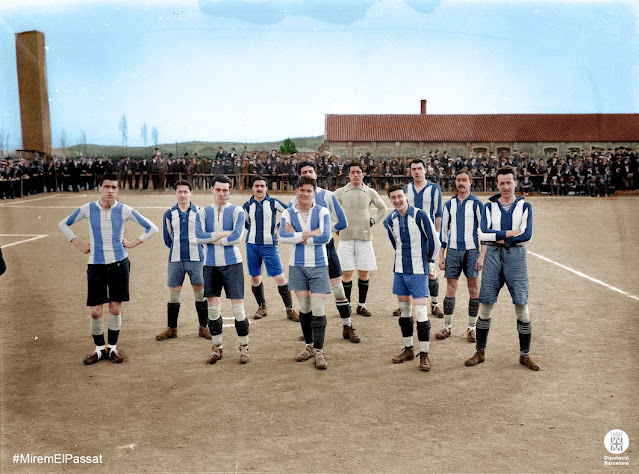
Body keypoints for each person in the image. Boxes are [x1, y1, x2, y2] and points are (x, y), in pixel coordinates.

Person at [58, 173, 158, 364]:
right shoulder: (88, 208)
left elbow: (152, 228)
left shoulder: (124, 210)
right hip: (95, 265)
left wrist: (132, 243)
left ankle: (112, 348)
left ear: (117, 190)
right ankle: (98, 349)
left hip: (119, 264)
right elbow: (63, 224)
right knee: (95, 311)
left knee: (114, 308)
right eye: (107, 187)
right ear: (100, 188)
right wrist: (77, 242)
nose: (110, 191)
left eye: (114, 187)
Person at [465, 165, 540, 371]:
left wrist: (497, 235)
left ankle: (525, 355)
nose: (506, 187)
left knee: (521, 305)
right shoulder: (488, 207)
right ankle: (480, 352)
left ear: (516, 182)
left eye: (509, 182)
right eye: (502, 183)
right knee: (486, 303)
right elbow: (483, 234)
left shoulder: (525, 207)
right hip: (491, 256)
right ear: (496, 184)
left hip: (516, 257)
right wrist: (509, 234)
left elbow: (527, 235)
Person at [290, 161, 360, 343]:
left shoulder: (328, 196)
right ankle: (310, 332)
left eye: (311, 171)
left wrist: (324, 233)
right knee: (309, 297)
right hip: (305, 254)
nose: (308, 174)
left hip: (326, 251)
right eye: (304, 171)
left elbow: (343, 223)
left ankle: (347, 326)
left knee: (338, 291)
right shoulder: (294, 201)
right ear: (299, 176)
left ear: (316, 174)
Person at [383, 184, 440, 371]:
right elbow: (395, 244)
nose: (397, 200)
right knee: (405, 310)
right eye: (393, 198)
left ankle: (424, 354)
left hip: (418, 271)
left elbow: (434, 240)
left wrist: (429, 261)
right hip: (400, 270)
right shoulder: (390, 220)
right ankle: (408, 348)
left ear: (405, 196)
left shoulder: (420, 215)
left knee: (422, 312)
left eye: (400, 196)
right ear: (390, 200)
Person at [279, 176, 332, 369]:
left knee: (318, 309)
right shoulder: (288, 212)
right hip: (297, 266)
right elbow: (282, 236)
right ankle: (309, 346)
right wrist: (309, 234)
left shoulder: (322, 211)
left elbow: (325, 236)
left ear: (314, 193)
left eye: (309, 191)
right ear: (296, 191)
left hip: (318, 265)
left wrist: (298, 236)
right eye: (302, 190)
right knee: (304, 308)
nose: (305, 194)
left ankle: (319, 351)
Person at [196, 175, 250, 365]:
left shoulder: (237, 211)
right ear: (212, 190)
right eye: (218, 189)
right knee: (213, 309)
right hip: (210, 265)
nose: (222, 193)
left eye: (225, 190)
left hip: (232, 264)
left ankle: (244, 348)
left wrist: (213, 239)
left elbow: (237, 237)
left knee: (238, 309)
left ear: (230, 191)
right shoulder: (203, 212)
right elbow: (198, 236)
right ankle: (217, 348)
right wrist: (221, 235)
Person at [156, 180, 211, 342]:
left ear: (190, 193)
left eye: (185, 192)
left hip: (196, 259)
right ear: (175, 194)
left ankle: (203, 327)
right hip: (176, 260)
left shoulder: (200, 212)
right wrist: (177, 249)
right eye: (179, 192)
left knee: (200, 293)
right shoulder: (169, 214)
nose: (182, 195)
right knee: (174, 294)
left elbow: (207, 235)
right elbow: (168, 238)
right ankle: (172, 329)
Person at [334, 162, 388, 317]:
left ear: (363, 174)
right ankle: (347, 305)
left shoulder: (369, 192)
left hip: (364, 237)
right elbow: (329, 207)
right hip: (345, 238)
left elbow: (382, 208)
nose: (356, 175)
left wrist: (374, 220)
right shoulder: (341, 192)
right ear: (349, 175)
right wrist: (336, 225)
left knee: (364, 272)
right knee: (346, 273)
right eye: (353, 172)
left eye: (358, 172)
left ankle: (361, 305)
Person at [436, 169, 484, 343]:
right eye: (458, 180)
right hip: (454, 251)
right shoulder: (449, 205)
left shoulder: (477, 204)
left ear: (470, 182)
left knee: (473, 288)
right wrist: (441, 255)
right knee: (450, 288)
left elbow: (484, 231)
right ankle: (447, 326)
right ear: (455, 182)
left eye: (464, 179)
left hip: (472, 251)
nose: (461, 183)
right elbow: (443, 232)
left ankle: (472, 328)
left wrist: (482, 256)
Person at [242, 176, 298, 321]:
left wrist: (278, 228)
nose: (259, 188)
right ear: (253, 188)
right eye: (256, 186)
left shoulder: (273, 202)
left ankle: (289, 309)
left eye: (262, 186)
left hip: (269, 246)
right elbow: (246, 223)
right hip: (252, 246)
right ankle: (262, 306)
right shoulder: (247, 205)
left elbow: (289, 213)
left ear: (266, 188)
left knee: (279, 277)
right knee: (255, 278)